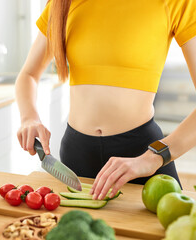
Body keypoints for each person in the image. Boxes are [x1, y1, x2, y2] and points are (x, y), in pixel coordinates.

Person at [15, 0, 196, 200]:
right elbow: (29, 74)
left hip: (141, 156)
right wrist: (29, 117)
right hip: (77, 156)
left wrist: (153, 157)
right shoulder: (62, 3)